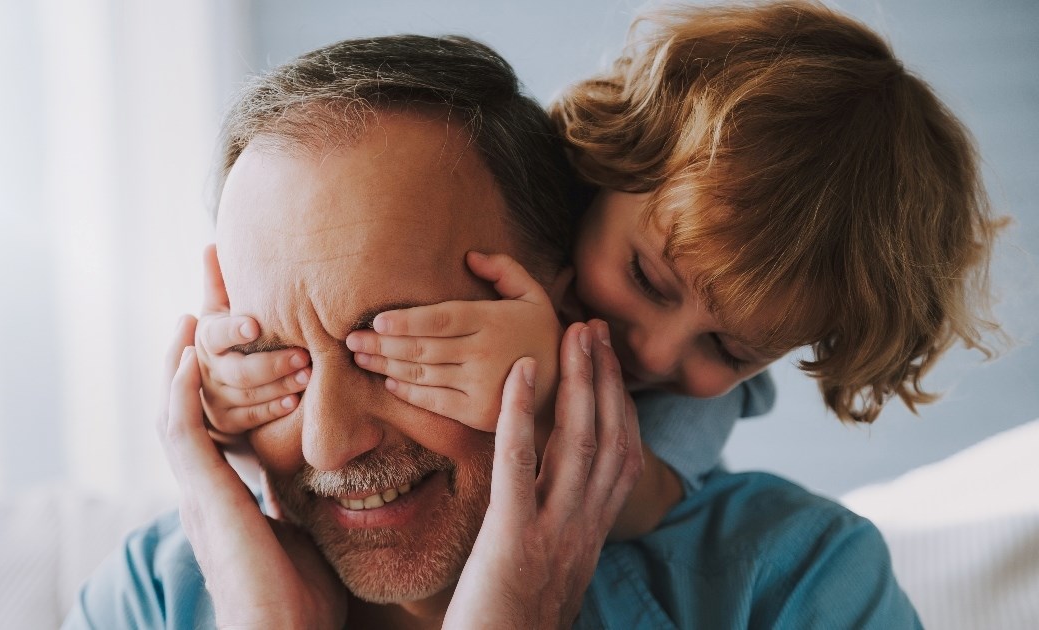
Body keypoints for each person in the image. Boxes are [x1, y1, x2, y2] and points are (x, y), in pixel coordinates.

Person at [64, 31, 921, 629]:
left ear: (553, 304)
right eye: (273, 354)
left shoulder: (797, 587)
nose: (328, 445)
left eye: (393, 346)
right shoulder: (151, 598)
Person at [198, 0, 1004, 535]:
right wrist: (249, 384)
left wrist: (547, 403)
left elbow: (630, 499)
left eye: (729, 350)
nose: (653, 353)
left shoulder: (700, 425)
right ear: (608, 161)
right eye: (650, 280)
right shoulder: (508, 196)